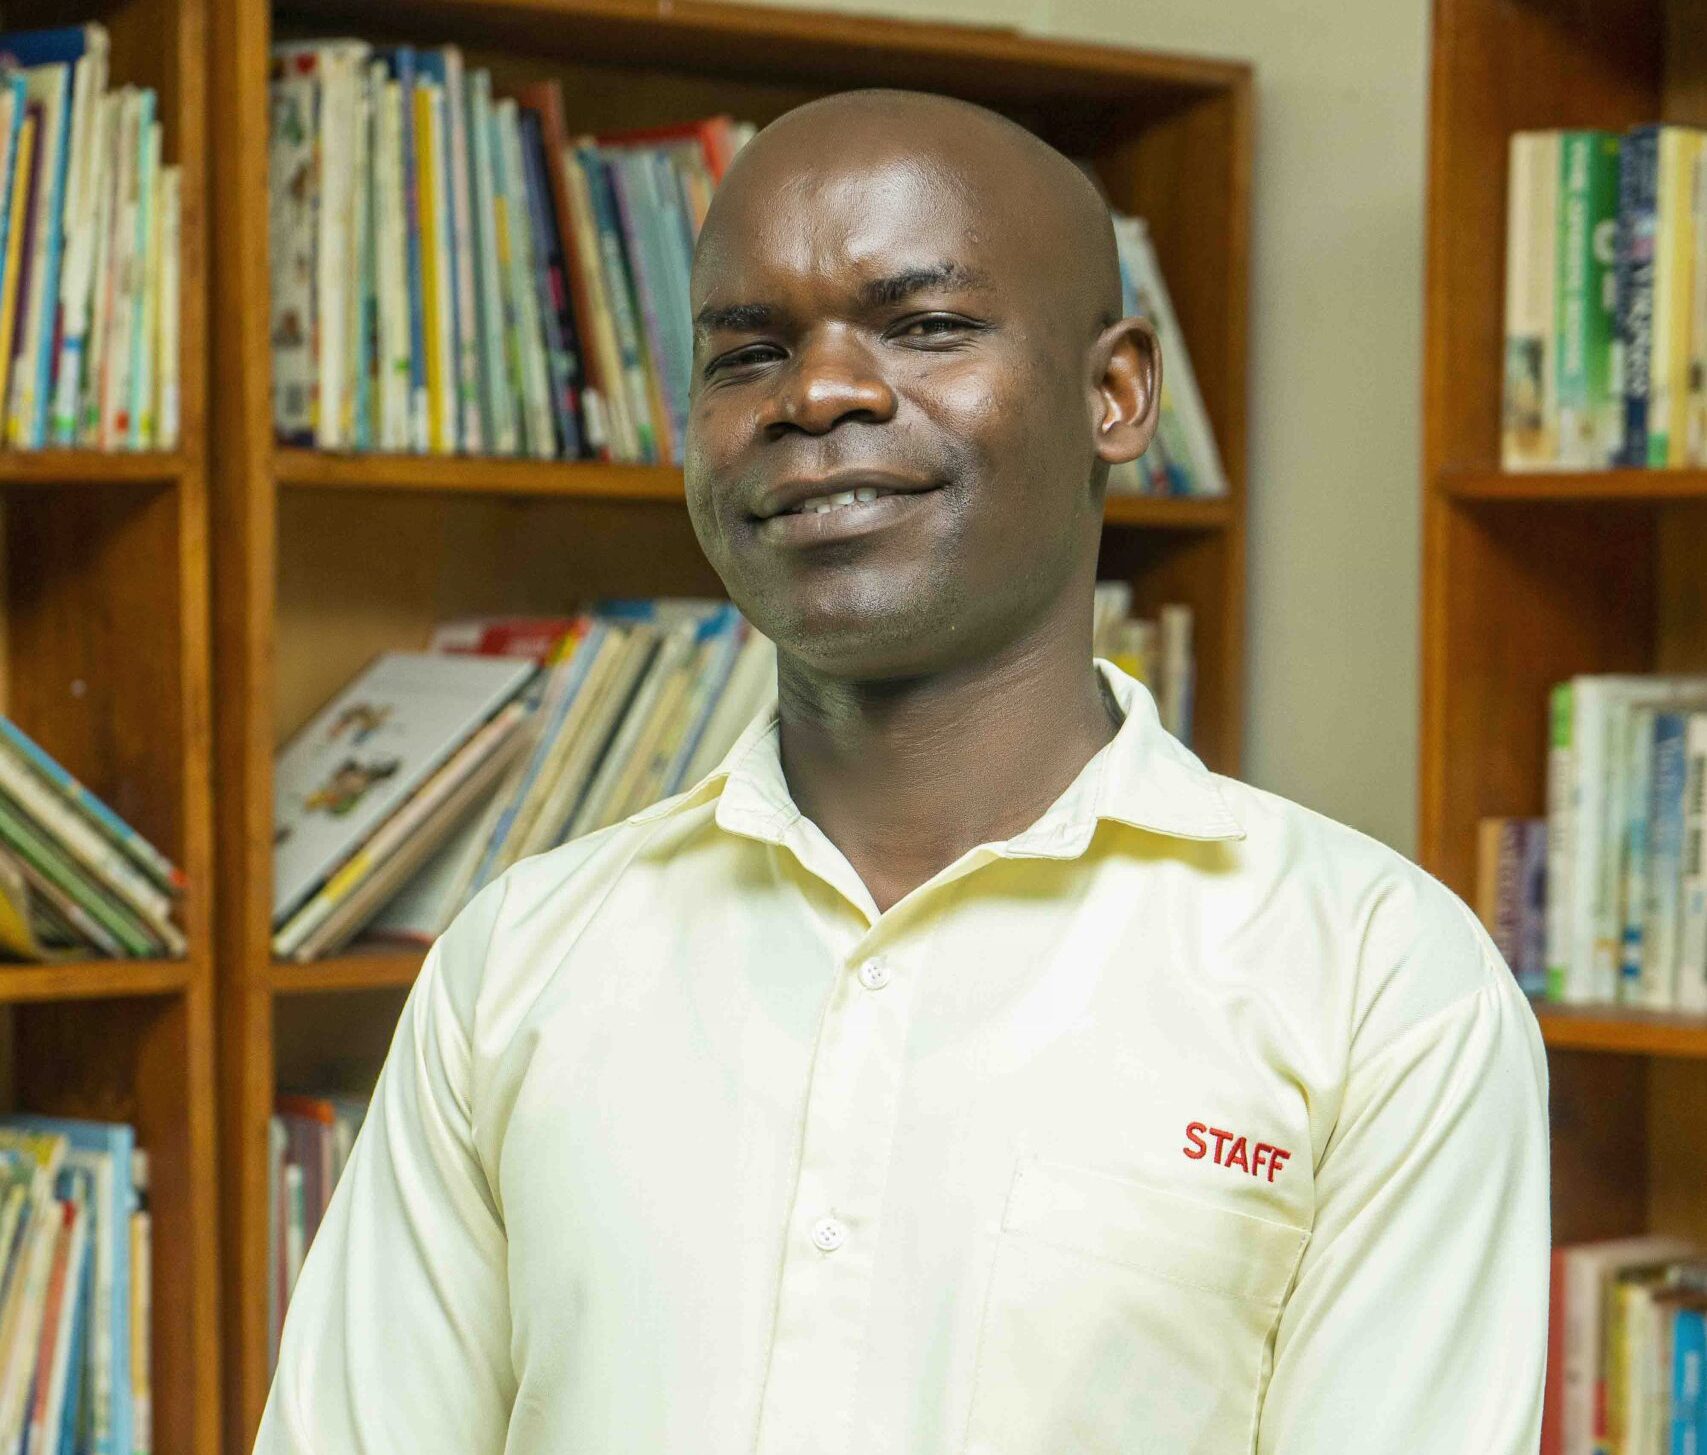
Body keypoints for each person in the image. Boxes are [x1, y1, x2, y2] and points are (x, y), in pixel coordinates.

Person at [255, 90, 1549, 1454]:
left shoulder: (1379, 988)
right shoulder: (517, 964)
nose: (818, 394)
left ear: (1115, 394)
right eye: (748, 353)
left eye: (925, 326)